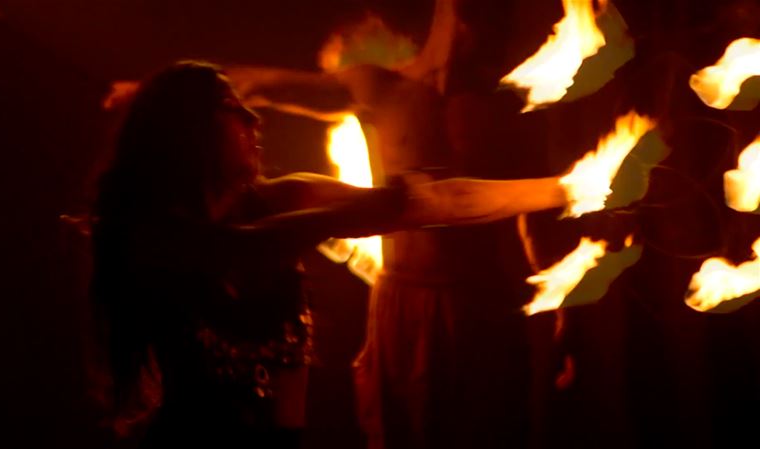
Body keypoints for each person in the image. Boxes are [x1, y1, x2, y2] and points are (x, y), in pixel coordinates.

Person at [90, 60, 571, 449]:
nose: (253, 118)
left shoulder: (282, 199)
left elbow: (442, 202)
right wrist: (367, 213)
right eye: (231, 108)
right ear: (187, 132)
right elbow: (245, 250)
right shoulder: (152, 234)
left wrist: (569, 187)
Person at [225, 2, 563, 447]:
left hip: (482, 304)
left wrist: (564, 318)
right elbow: (264, 87)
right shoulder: (382, 86)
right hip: (403, 300)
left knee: (490, 430)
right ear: (452, 11)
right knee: (401, 430)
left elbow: (535, 217)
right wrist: (163, 96)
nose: (499, 30)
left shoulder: (508, 106)